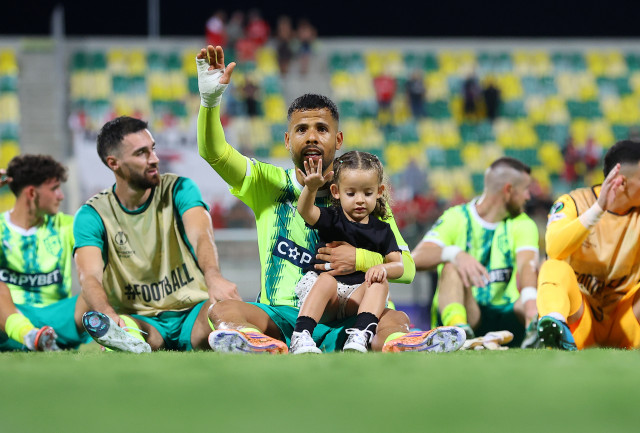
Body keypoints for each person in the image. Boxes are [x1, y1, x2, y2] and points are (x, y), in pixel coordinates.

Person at [196, 45, 466, 354]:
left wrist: (359, 259)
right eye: (301, 129)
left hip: (350, 317)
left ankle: (401, 342)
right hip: (284, 316)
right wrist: (210, 101)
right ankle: (254, 342)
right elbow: (213, 152)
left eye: (321, 129)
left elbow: (406, 268)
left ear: (338, 140)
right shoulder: (266, 182)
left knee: (394, 318)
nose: (312, 136)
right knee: (223, 310)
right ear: (287, 140)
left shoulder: (362, 197)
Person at [74, 116, 241, 352]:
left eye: (152, 149)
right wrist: (107, 313)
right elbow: (89, 276)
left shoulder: (179, 188)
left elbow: (201, 236)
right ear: (114, 163)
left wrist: (213, 276)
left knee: (224, 311)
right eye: (141, 153)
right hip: (143, 320)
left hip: (193, 313)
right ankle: (121, 338)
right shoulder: (93, 214)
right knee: (127, 328)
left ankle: (250, 338)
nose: (154, 159)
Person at [411, 157, 539, 348]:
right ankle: (457, 333)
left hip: (508, 316)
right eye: (526, 189)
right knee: (450, 266)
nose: (528, 196)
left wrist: (531, 307)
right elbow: (413, 259)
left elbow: (527, 266)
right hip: (471, 313)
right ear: (508, 190)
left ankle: (535, 328)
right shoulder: (456, 217)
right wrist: (455, 254)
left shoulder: (523, 223)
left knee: (542, 274)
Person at [290, 151, 404, 354]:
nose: (360, 200)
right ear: (336, 191)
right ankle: (301, 335)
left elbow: (399, 266)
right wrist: (311, 188)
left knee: (380, 283)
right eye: (351, 194)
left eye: (367, 193)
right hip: (328, 300)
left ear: (379, 191)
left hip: (356, 298)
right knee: (326, 280)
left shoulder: (383, 230)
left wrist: (382, 268)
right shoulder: (332, 218)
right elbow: (305, 211)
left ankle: (359, 335)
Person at [536, 140, 640, 350]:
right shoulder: (574, 203)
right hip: (581, 320)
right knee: (553, 266)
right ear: (621, 183)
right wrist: (598, 210)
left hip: (626, 323)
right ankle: (556, 326)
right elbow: (554, 248)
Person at [0, 155, 91, 351]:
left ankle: (116, 336)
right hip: (9, 321)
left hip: (58, 322)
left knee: (102, 283)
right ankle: (29, 335)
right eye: (54, 188)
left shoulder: (67, 225)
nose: (61, 196)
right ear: (32, 193)